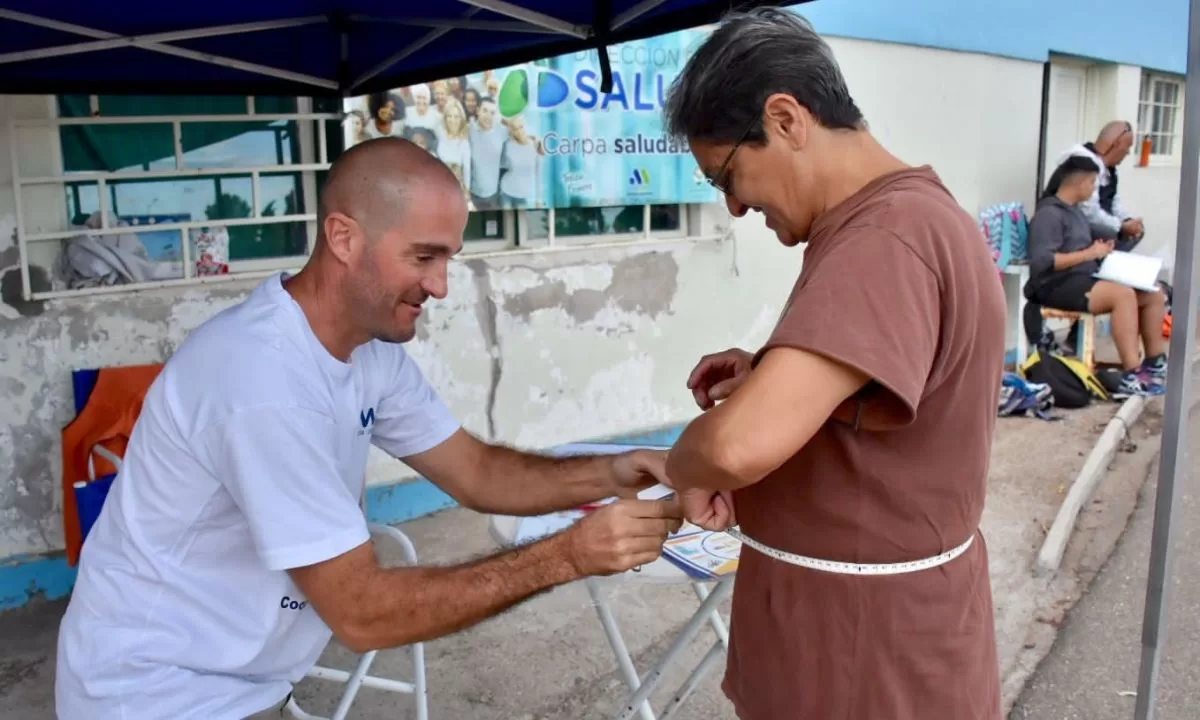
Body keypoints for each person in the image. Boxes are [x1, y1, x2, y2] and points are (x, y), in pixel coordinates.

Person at [54, 137, 683, 720]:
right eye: (423, 256)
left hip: (247, 683)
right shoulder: (261, 382)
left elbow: (477, 471)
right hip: (155, 695)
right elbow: (363, 613)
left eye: (449, 258)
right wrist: (568, 555)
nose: (440, 285)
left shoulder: (367, 350)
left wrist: (615, 470)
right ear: (343, 238)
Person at [660, 9, 1006, 720]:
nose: (733, 207)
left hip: (862, 653)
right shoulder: (903, 218)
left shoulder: (885, 235)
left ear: (786, 119)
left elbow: (734, 447)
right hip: (856, 630)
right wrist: (772, 375)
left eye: (728, 175)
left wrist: (685, 468)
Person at [1024, 154, 1168, 397]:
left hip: (1085, 279)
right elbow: (1043, 261)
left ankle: (1155, 363)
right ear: (1080, 182)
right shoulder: (1049, 214)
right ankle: (1131, 374)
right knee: (1121, 295)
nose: (1094, 190)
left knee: (1152, 294)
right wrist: (1089, 253)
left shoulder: (1075, 212)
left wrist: (1103, 249)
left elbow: (1089, 244)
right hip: (1056, 285)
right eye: (1092, 183)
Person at [1062, 120, 1145, 251]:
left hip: (1098, 223)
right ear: (1116, 144)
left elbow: (1114, 202)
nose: (1128, 152)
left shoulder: (1110, 170)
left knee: (1137, 232)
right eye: (1128, 147)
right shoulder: (1084, 163)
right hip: (1075, 224)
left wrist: (1128, 221)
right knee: (1113, 234)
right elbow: (1088, 212)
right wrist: (1120, 227)